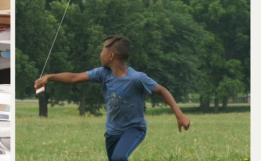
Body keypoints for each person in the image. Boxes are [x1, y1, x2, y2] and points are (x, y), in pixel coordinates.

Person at [34, 35, 191, 161]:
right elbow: (74, 77)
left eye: (103, 49)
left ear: (111, 55)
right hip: (112, 133)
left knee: (119, 157)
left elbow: (162, 90)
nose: (100, 53)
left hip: (134, 129)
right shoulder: (102, 74)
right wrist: (50, 77)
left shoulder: (137, 78)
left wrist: (179, 115)